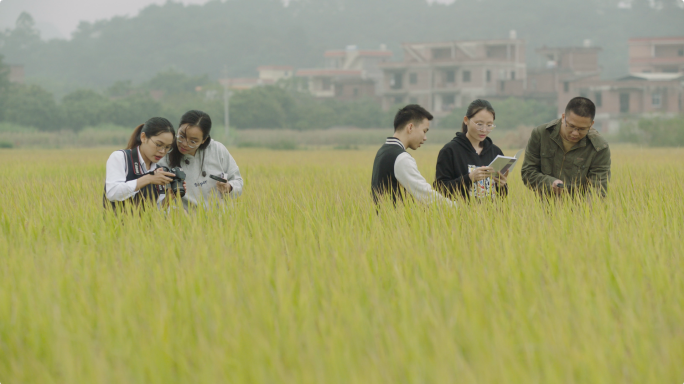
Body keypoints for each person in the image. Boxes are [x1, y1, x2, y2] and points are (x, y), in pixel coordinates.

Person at [521, 97, 611, 196]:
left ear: (591, 125)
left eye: (582, 129)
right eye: (571, 126)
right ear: (563, 117)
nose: (575, 133)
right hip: (543, 207)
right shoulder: (541, 134)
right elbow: (528, 172)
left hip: (582, 208)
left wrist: (584, 210)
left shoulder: (599, 147)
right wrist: (550, 183)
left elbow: (597, 189)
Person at [371, 104, 455, 206]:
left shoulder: (383, 151)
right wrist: (457, 208)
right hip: (397, 220)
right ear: (410, 127)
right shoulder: (401, 158)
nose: (425, 138)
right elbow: (426, 194)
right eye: (424, 131)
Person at [159, 110, 243, 210]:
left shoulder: (217, 150)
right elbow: (157, 202)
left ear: (204, 140)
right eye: (181, 136)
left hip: (221, 220)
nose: (185, 144)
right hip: (187, 221)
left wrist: (229, 187)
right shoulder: (165, 157)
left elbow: (238, 181)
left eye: (193, 141)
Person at [434, 99, 508, 200]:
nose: (484, 130)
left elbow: (501, 197)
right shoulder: (450, 151)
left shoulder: (496, 152)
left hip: (491, 214)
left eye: (489, 125)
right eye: (479, 124)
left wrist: (502, 185)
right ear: (466, 120)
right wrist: (469, 178)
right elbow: (439, 189)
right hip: (458, 214)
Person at [104, 117, 178, 210]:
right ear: (143, 137)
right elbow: (112, 193)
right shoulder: (121, 157)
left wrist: (167, 199)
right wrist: (149, 178)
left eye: (167, 147)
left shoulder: (158, 170)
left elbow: (155, 211)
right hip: (117, 223)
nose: (162, 151)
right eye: (158, 145)